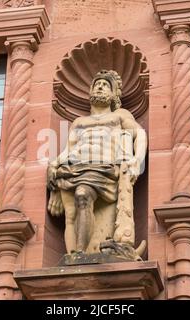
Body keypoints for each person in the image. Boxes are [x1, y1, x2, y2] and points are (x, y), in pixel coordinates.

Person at [47, 70, 147, 259]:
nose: (100, 87)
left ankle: (80, 253)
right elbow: (67, 151)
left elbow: (139, 134)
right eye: (96, 84)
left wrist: (137, 160)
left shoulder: (119, 116)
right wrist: (54, 166)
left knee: (83, 195)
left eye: (105, 85)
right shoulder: (79, 121)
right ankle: (74, 256)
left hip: (102, 170)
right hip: (73, 168)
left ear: (113, 95)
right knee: (70, 215)